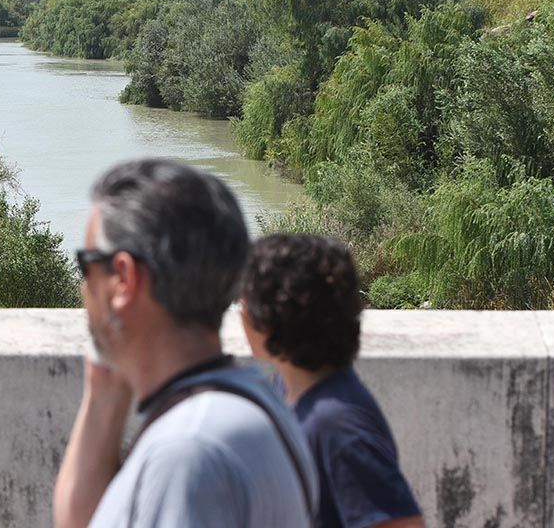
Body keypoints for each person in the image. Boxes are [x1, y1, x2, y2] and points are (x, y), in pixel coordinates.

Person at [54, 159, 318, 528]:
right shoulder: (251, 398)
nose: (84, 288)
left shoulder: (187, 452)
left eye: (87, 266)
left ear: (124, 280)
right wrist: (104, 387)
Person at [239, 234, 424, 528]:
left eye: (247, 302)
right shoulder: (287, 387)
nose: (241, 312)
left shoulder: (338, 425)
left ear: (272, 318)